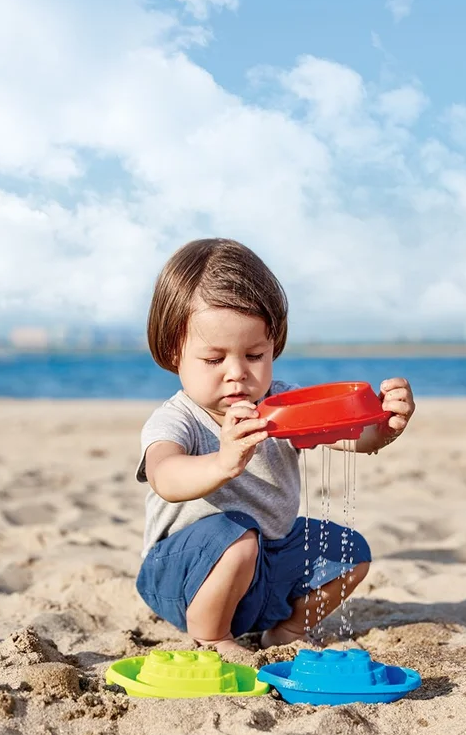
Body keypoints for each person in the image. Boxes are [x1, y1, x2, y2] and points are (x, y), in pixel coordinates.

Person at [136, 238, 415, 655]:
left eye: (254, 354)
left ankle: (284, 632)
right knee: (238, 537)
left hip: (267, 567)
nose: (237, 374)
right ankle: (211, 638)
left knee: (350, 552)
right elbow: (165, 475)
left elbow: (353, 437)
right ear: (174, 352)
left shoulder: (280, 406)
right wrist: (221, 462)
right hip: (185, 574)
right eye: (214, 360)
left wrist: (386, 425)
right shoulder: (178, 418)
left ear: (273, 345)